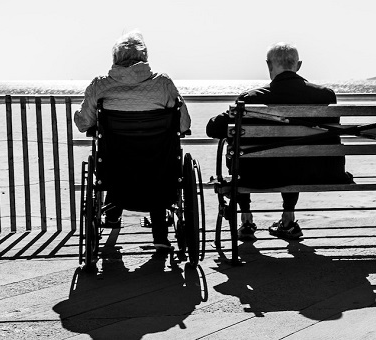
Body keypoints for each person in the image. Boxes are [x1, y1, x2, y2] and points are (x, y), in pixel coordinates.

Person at [206, 42, 352, 241]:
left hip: (258, 175)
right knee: (296, 155)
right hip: (316, 172)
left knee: (237, 146)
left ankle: (246, 219)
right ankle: (288, 219)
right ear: (298, 65)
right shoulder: (325, 95)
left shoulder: (251, 99)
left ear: (269, 65)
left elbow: (212, 129)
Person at [74, 30, 191, 255]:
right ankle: (160, 236)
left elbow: (83, 123)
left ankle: (112, 213)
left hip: (116, 172)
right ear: (145, 57)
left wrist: (79, 117)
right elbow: (183, 124)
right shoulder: (163, 83)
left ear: (115, 59)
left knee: (118, 154)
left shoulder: (100, 86)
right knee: (153, 159)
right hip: (159, 171)